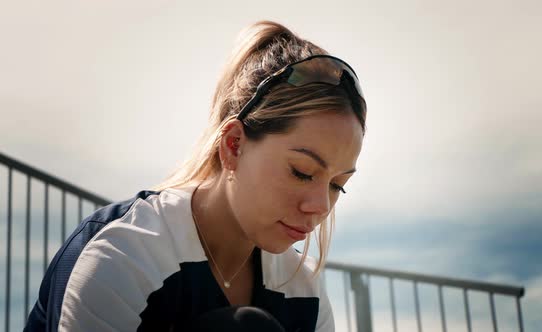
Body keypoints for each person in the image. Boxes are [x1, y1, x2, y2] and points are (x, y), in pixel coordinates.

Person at [25, 20, 367, 331]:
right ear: (234, 145)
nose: (320, 206)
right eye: (302, 172)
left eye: (338, 185)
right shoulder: (122, 258)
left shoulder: (304, 291)